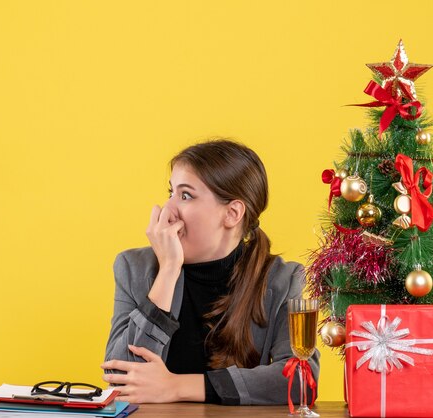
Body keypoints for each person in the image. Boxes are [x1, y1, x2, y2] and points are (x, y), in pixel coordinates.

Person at [101, 139, 320, 405]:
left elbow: (300, 380)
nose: (167, 210)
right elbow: (119, 377)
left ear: (232, 213)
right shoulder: (134, 267)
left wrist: (178, 386)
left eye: (185, 195)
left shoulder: (282, 279)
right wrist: (168, 270)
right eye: (170, 192)